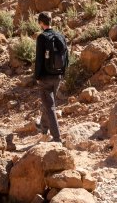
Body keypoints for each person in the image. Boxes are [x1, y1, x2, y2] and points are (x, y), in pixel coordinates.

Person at [33, 11, 68, 143]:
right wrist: (62, 73)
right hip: (58, 76)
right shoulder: (60, 35)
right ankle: (43, 126)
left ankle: (57, 137)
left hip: (46, 78)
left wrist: (37, 76)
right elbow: (66, 56)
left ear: (41, 23)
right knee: (49, 103)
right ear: (51, 22)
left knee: (50, 106)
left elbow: (39, 60)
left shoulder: (42, 37)